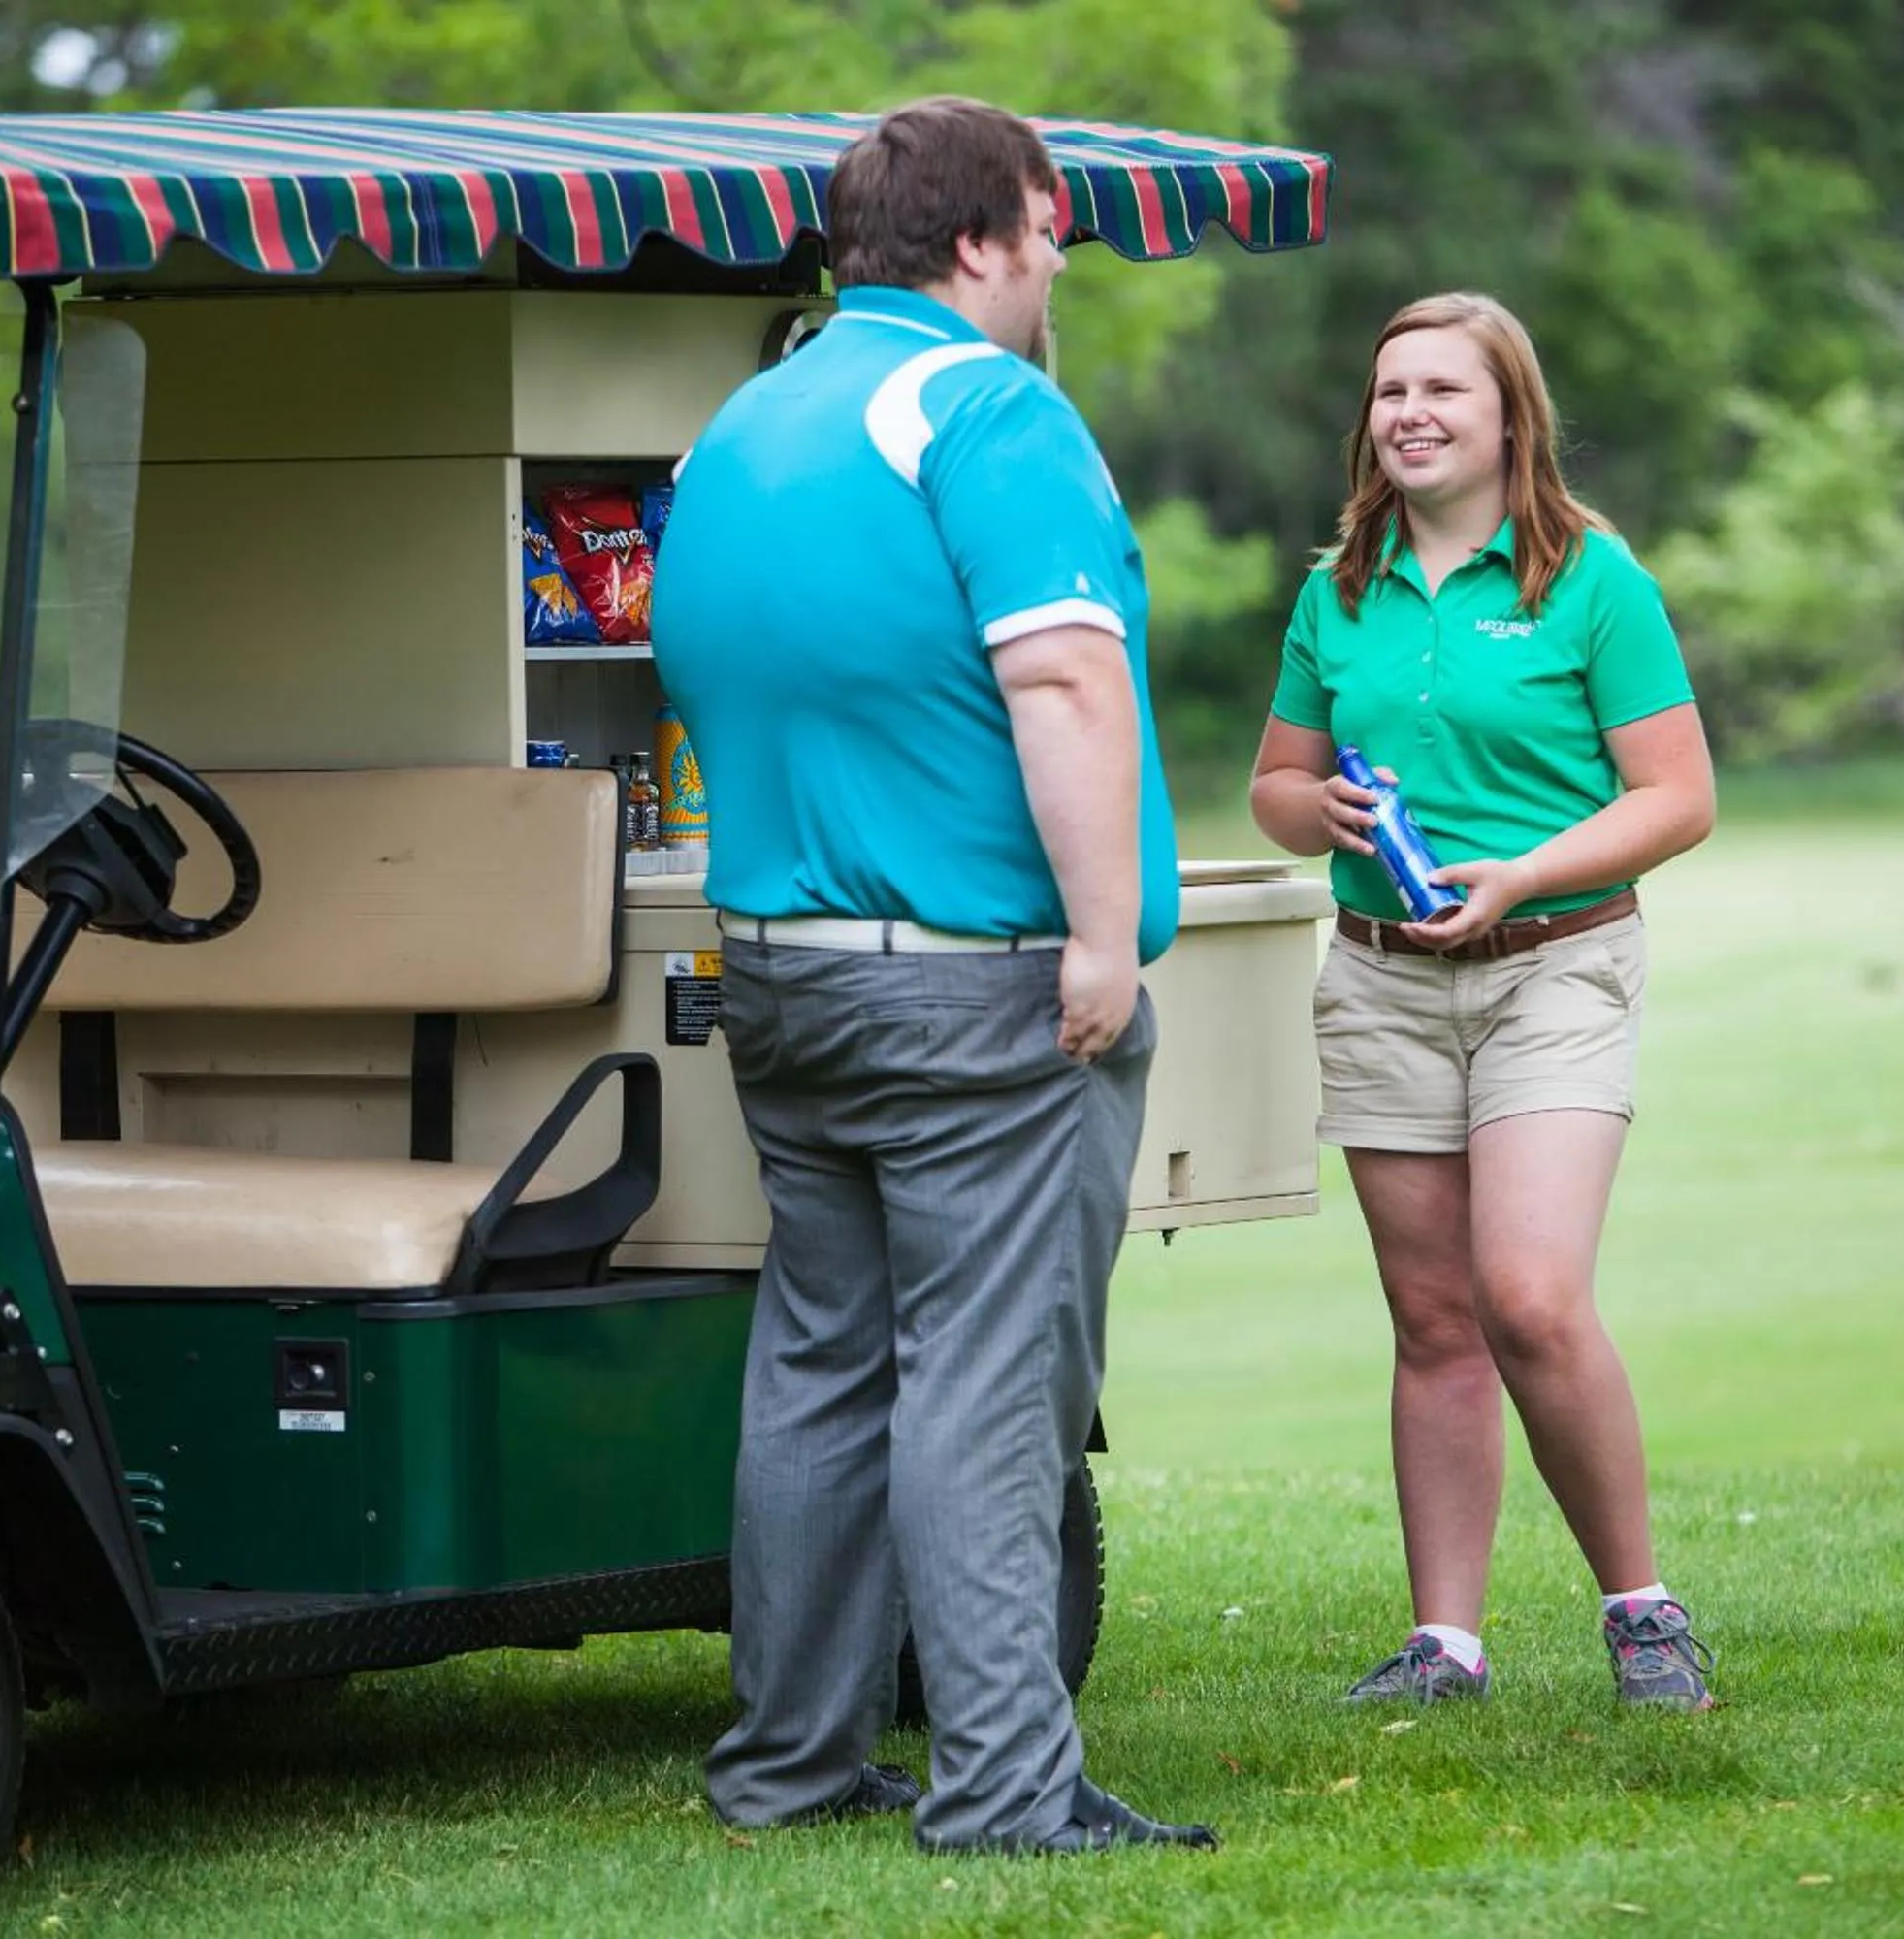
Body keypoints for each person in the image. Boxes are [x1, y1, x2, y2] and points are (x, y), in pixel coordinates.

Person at [649, 97, 1213, 1853]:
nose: (1055, 271)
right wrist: (1105, 939)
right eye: (1049, 236)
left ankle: (790, 1761)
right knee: (986, 1372)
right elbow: (1060, 684)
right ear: (983, 239)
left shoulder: (748, 419)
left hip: (782, 974)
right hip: (975, 985)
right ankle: (1003, 1791)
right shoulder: (985, 409)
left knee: (818, 1362)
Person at [1247, 292, 1720, 1710]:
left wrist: (1517, 875)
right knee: (1434, 1315)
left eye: (1442, 390)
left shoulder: (1589, 579)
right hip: (1382, 980)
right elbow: (1273, 788)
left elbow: (1678, 799)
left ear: (1510, 414)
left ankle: (1642, 1614)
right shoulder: (1340, 584)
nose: (1409, 414)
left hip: (1555, 968)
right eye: (1390, 391)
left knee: (1527, 1294)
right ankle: (1443, 1643)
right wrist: (1311, 807)